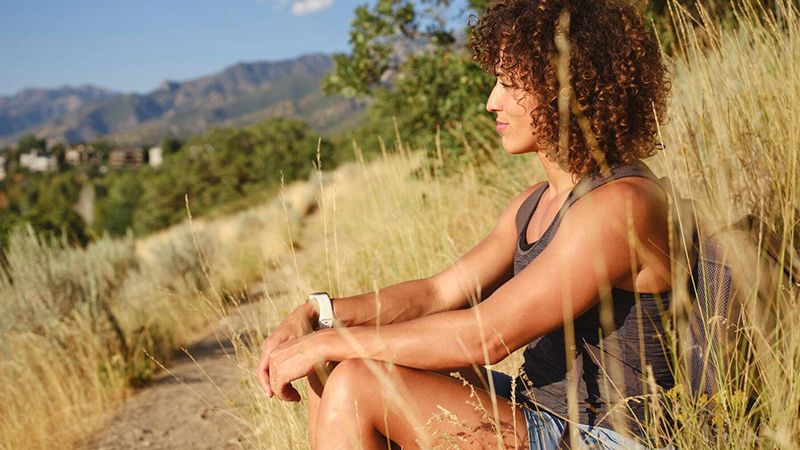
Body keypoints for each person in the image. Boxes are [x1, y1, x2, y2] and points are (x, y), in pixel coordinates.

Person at [256, 0, 674, 447]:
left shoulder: (620, 205)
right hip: (535, 411)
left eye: (510, 84)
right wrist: (318, 317)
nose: (491, 101)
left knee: (356, 382)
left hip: (607, 436)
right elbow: (437, 293)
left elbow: (485, 337)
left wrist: (329, 343)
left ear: (570, 88)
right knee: (334, 364)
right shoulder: (533, 204)